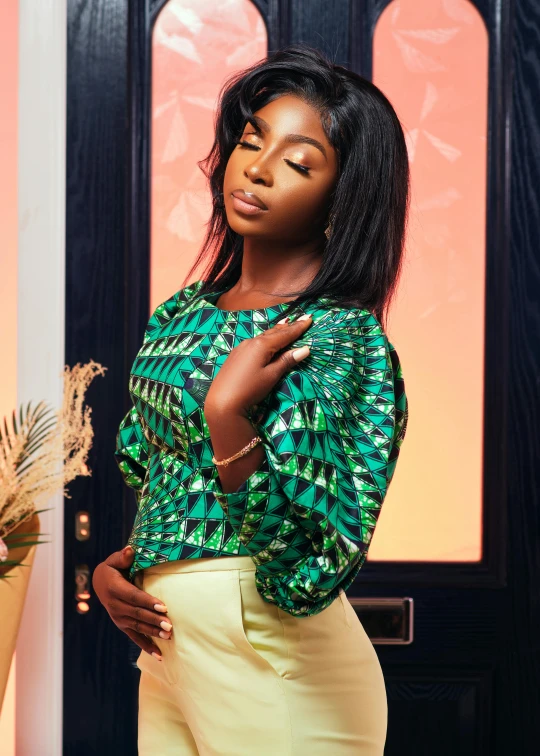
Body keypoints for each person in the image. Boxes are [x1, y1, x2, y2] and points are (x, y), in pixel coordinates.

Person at [93, 44, 409, 755]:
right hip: (173, 652)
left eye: (299, 163)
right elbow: (169, 483)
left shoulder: (339, 339)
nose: (258, 169)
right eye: (250, 140)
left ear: (341, 197)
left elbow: (306, 565)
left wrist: (229, 419)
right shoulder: (182, 314)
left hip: (278, 656)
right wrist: (125, 568)